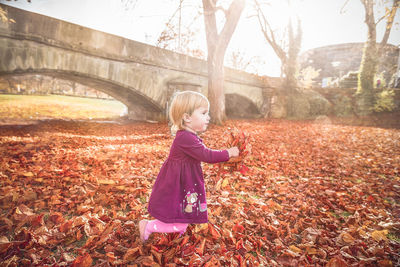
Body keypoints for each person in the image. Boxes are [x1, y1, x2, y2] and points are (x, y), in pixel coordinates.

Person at [138, 91, 240, 242]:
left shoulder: (189, 136)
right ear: (187, 117)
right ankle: (148, 226)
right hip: (177, 185)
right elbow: (207, 155)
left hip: (183, 183)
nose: (208, 117)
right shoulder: (185, 138)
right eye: (204, 113)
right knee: (181, 221)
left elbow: (203, 154)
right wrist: (228, 153)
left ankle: (176, 233)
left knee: (183, 213)